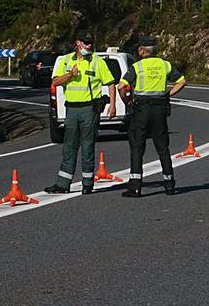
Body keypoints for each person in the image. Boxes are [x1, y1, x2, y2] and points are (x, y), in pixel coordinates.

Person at [45, 31, 116, 195]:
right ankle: (63, 184)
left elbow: (110, 83)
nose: (89, 46)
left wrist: (112, 105)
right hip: (71, 109)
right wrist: (70, 74)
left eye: (90, 43)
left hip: (89, 109)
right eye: (85, 42)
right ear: (77, 43)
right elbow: (55, 82)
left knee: (87, 146)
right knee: (69, 146)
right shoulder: (65, 60)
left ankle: (87, 184)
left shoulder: (97, 61)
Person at [118, 35, 186, 197]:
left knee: (137, 146)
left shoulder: (137, 66)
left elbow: (122, 86)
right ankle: (169, 184)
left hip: (141, 109)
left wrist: (127, 101)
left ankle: (135, 187)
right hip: (159, 108)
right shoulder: (165, 65)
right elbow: (182, 81)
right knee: (162, 146)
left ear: (142, 50)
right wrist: (167, 95)